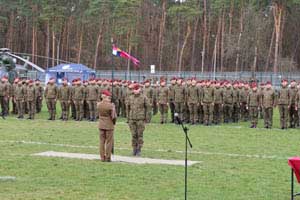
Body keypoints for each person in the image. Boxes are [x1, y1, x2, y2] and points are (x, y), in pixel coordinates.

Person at [128, 84, 150, 156]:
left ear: (140, 89)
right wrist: (128, 118)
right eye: (134, 89)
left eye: (137, 89)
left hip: (140, 119)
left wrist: (147, 118)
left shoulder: (144, 97)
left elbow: (148, 108)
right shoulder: (130, 97)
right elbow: (128, 108)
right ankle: (134, 149)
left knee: (139, 134)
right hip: (132, 118)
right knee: (133, 134)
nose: (136, 91)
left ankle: (139, 149)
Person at [97, 90, 117, 162]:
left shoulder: (99, 104)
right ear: (107, 96)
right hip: (109, 125)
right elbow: (113, 116)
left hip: (101, 125)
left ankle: (102, 157)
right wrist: (114, 123)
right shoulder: (110, 105)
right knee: (109, 142)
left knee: (102, 142)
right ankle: (108, 157)